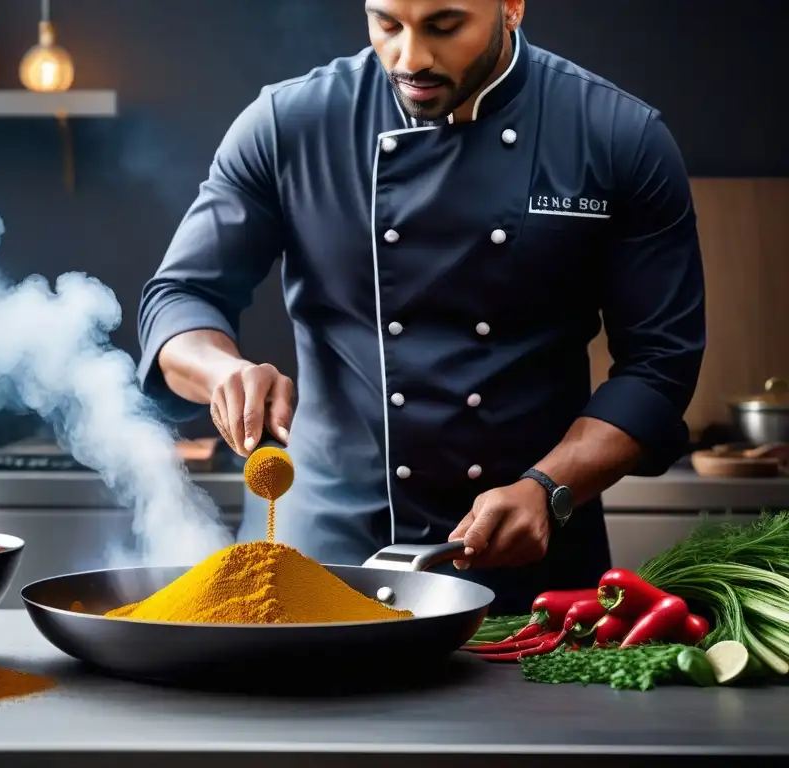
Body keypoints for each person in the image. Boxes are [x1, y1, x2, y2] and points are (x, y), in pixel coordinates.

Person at [136, 0, 705, 613]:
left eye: (444, 25)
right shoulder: (290, 122)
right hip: (317, 558)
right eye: (387, 23)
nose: (410, 57)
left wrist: (551, 488)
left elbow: (659, 363)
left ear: (511, 7)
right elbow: (181, 298)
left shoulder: (617, 135)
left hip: (529, 567)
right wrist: (225, 374)